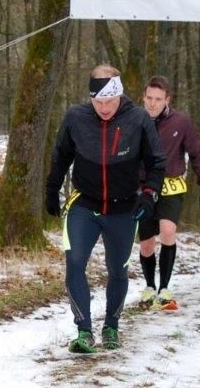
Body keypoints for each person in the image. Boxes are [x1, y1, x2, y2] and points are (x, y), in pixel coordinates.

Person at [45, 64, 166, 354]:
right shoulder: (76, 117)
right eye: (97, 102)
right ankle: (84, 330)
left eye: (109, 101)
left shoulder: (138, 119)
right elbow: (61, 156)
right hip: (84, 204)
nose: (104, 107)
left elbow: (157, 163)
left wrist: (149, 195)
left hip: (124, 208)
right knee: (74, 262)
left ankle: (111, 325)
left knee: (117, 270)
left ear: (120, 95)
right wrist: (51, 189)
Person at [136, 76, 200, 311]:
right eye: (149, 98)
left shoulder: (181, 122)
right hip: (144, 187)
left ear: (167, 99)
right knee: (147, 244)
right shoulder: (134, 120)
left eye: (158, 99)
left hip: (171, 185)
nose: (152, 103)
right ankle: (149, 286)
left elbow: (197, 153)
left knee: (168, 230)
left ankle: (165, 288)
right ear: (144, 97)